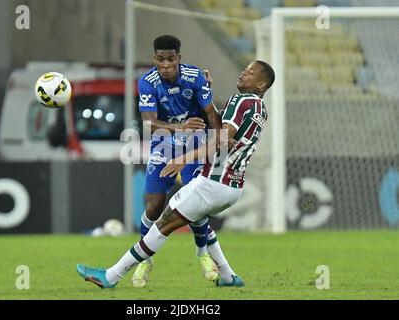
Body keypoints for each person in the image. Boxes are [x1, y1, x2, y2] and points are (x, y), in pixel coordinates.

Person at [76, 60, 275, 288]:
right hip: (232, 187)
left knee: (163, 224)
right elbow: (219, 130)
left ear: (261, 85)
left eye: (250, 72)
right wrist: (206, 92)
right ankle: (228, 276)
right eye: (245, 69)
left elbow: (220, 140)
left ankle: (110, 276)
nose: (243, 72)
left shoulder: (241, 101)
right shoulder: (260, 109)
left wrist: (183, 159)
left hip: (213, 181)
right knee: (196, 217)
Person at [130, 34, 227, 288]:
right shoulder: (147, 82)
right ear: (155, 58)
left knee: (194, 203)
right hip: (164, 143)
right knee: (153, 206)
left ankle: (203, 254)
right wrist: (181, 126)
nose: (165, 65)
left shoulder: (195, 77)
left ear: (179, 59)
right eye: (160, 59)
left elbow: (209, 112)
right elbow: (149, 123)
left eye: (170, 59)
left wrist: (219, 140)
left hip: (196, 144)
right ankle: (145, 260)